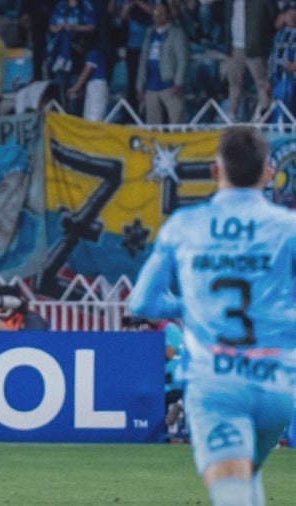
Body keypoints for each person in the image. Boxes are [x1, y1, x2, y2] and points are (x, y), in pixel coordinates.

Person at [128, 125, 296, 505]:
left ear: (214, 170)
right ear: (268, 172)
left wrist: (190, 305)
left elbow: (140, 304)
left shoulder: (184, 226)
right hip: (275, 387)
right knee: (246, 475)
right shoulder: (288, 228)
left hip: (216, 384)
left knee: (231, 491)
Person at [136, 1, 189, 124]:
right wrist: (140, 85)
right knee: (152, 123)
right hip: (151, 85)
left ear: (168, 14)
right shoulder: (149, 33)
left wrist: (178, 82)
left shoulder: (176, 33)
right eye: (156, 11)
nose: (158, 15)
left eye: (162, 12)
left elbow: (183, 60)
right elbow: (143, 60)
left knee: (177, 119)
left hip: (169, 84)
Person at [223, 0, 277, 120]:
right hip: (234, 47)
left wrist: (263, 43)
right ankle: (231, 116)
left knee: (262, 83)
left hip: (255, 48)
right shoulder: (230, 2)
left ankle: (266, 115)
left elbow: (272, 18)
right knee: (234, 84)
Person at [48, 0, 96, 112]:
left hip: (77, 55)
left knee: (75, 91)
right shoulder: (61, 5)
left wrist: (75, 28)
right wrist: (57, 28)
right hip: (61, 56)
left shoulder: (85, 6)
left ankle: (74, 116)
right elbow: (51, 26)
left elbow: (92, 26)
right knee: (60, 89)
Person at [67, 34, 110, 121]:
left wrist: (75, 88)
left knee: (94, 116)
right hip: (93, 86)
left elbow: (85, 73)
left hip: (97, 87)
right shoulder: (93, 54)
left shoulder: (94, 53)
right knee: (89, 116)